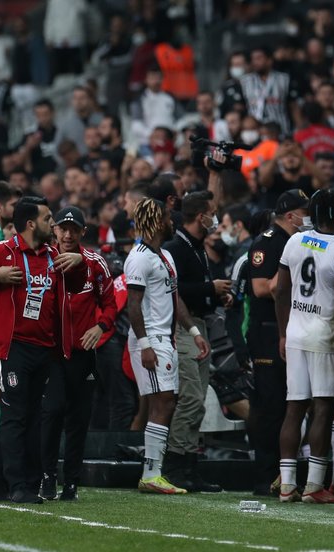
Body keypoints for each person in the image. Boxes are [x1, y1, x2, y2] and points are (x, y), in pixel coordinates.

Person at [0, 197, 87, 504]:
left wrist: (79, 261)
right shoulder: (1, 252)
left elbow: (78, 285)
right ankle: (22, 484)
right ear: (31, 224)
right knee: (16, 417)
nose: (53, 225)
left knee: (29, 417)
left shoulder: (53, 256)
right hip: (11, 347)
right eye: (47, 219)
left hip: (44, 348)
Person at [274, 190, 334, 504]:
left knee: (294, 407)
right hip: (325, 335)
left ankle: (286, 486)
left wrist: (283, 333)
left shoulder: (295, 240)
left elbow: (280, 290)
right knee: (324, 408)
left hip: (294, 332)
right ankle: (313, 487)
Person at [124, 198, 210, 494]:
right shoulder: (138, 258)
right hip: (151, 340)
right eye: (167, 217)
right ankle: (151, 473)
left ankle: (153, 473)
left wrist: (194, 330)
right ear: (157, 220)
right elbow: (132, 305)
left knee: (167, 402)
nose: (172, 221)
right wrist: (145, 344)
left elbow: (175, 299)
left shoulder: (164, 256)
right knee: (163, 402)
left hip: (168, 338)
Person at [40, 207, 118, 501]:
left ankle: (71, 482)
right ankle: (47, 476)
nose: (68, 234)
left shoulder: (97, 263)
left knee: (78, 418)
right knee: (53, 412)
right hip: (51, 353)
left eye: (74, 229)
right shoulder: (43, 259)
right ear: (54, 230)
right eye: (63, 228)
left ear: (83, 232)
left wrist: (101, 326)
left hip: (83, 353)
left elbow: (110, 304)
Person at [161, 192, 229, 493]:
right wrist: (208, 288)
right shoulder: (175, 248)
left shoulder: (196, 247)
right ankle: (174, 465)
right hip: (182, 326)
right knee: (190, 397)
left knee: (197, 400)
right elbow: (173, 291)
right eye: (211, 212)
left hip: (198, 324)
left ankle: (189, 464)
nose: (214, 217)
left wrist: (215, 294)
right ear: (200, 215)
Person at [246, 189, 309, 494]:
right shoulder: (268, 242)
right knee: (269, 404)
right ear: (290, 215)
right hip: (268, 330)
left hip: (289, 326)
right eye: (303, 212)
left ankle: (282, 472)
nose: (306, 218)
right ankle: (265, 473)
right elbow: (260, 287)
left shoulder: (296, 242)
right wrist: (286, 275)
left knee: (289, 402)